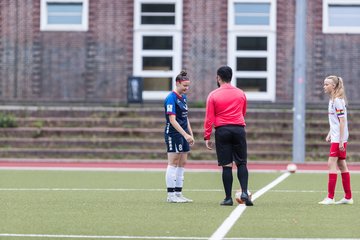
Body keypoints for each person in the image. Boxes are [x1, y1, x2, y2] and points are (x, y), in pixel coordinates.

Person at [203, 66, 253, 206]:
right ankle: (244, 193)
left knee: (226, 165)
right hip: (238, 129)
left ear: (218, 78)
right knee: (242, 163)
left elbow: (209, 118)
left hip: (222, 130)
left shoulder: (213, 95)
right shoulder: (240, 93)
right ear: (231, 77)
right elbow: (243, 112)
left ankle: (228, 198)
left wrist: (207, 136)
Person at [319, 75, 353, 205]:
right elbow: (335, 121)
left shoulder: (338, 101)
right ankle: (348, 197)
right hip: (336, 136)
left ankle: (330, 197)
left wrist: (340, 141)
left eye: (326, 84)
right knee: (341, 165)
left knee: (331, 163)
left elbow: (342, 121)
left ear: (333, 86)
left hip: (339, 138)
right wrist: (330, 133)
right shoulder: (332, 100)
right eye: (324, 84)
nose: (324, 86)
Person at [164, 70, 195, 203]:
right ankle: (171, 196)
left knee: (182, 163)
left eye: (188, 86)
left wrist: (190, 134)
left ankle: (178, 193)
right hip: (173, 133)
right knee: (173, 162)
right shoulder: (171, 98)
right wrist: (184, 134)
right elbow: (172, 120)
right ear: (177, 83)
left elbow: (185, 118)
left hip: (183, 134)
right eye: (184, 86)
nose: (186, 88)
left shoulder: (184, 98)